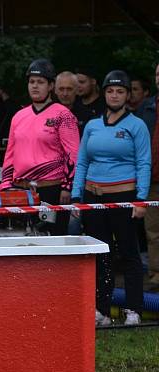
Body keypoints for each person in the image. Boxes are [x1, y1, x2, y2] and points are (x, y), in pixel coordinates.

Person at [71, 70, 151, 326]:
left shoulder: (136, 125)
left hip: (125, 198)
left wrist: (140, 200)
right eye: (110, 90)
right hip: (93, 198)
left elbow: (144, 163)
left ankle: (133, 310)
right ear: (104, 93)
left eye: (120, 91)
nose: (114, 95)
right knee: (100, 254)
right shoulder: (93, 125)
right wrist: (75, 196)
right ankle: (102, 310)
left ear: (128, 95)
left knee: (129, 253)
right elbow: (82, 162)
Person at [1, 59, 79, 236]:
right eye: (31, 82)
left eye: (41, 82)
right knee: (23, 239)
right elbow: (10, 154)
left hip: (52, 188)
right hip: (21, 189)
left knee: (53, 239)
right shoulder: (19, 116)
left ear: (51, 85)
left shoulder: (63, 115)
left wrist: (67, 187)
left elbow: (72, 154)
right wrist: (5, 186)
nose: (35, 86)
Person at [136, 63, 159, 289]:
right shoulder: (147, 107)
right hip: (152, 180)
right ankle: (156, 278)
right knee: (153, 232)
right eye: (158, 74)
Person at [73, 67, 105, 134]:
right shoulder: (74, 104)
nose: (78, 86)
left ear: (93, 81)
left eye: (82, 82)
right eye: (76, 83)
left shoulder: (104, 105)